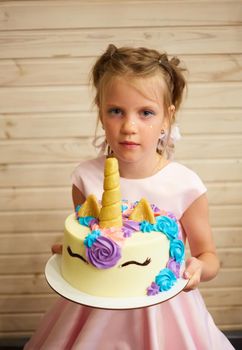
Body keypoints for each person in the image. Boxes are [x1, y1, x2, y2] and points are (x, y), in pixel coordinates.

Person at [24, 44, 234, 349]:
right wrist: (71, 252)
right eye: (116, 111)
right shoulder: (86, 179)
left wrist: (199, 268)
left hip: (166, 312)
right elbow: (91, 239)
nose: (129, 127)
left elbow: (209, 257)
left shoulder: (185, 185)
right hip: (93, 309)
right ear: (101, 112)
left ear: (167, 118)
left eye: (146, 113)